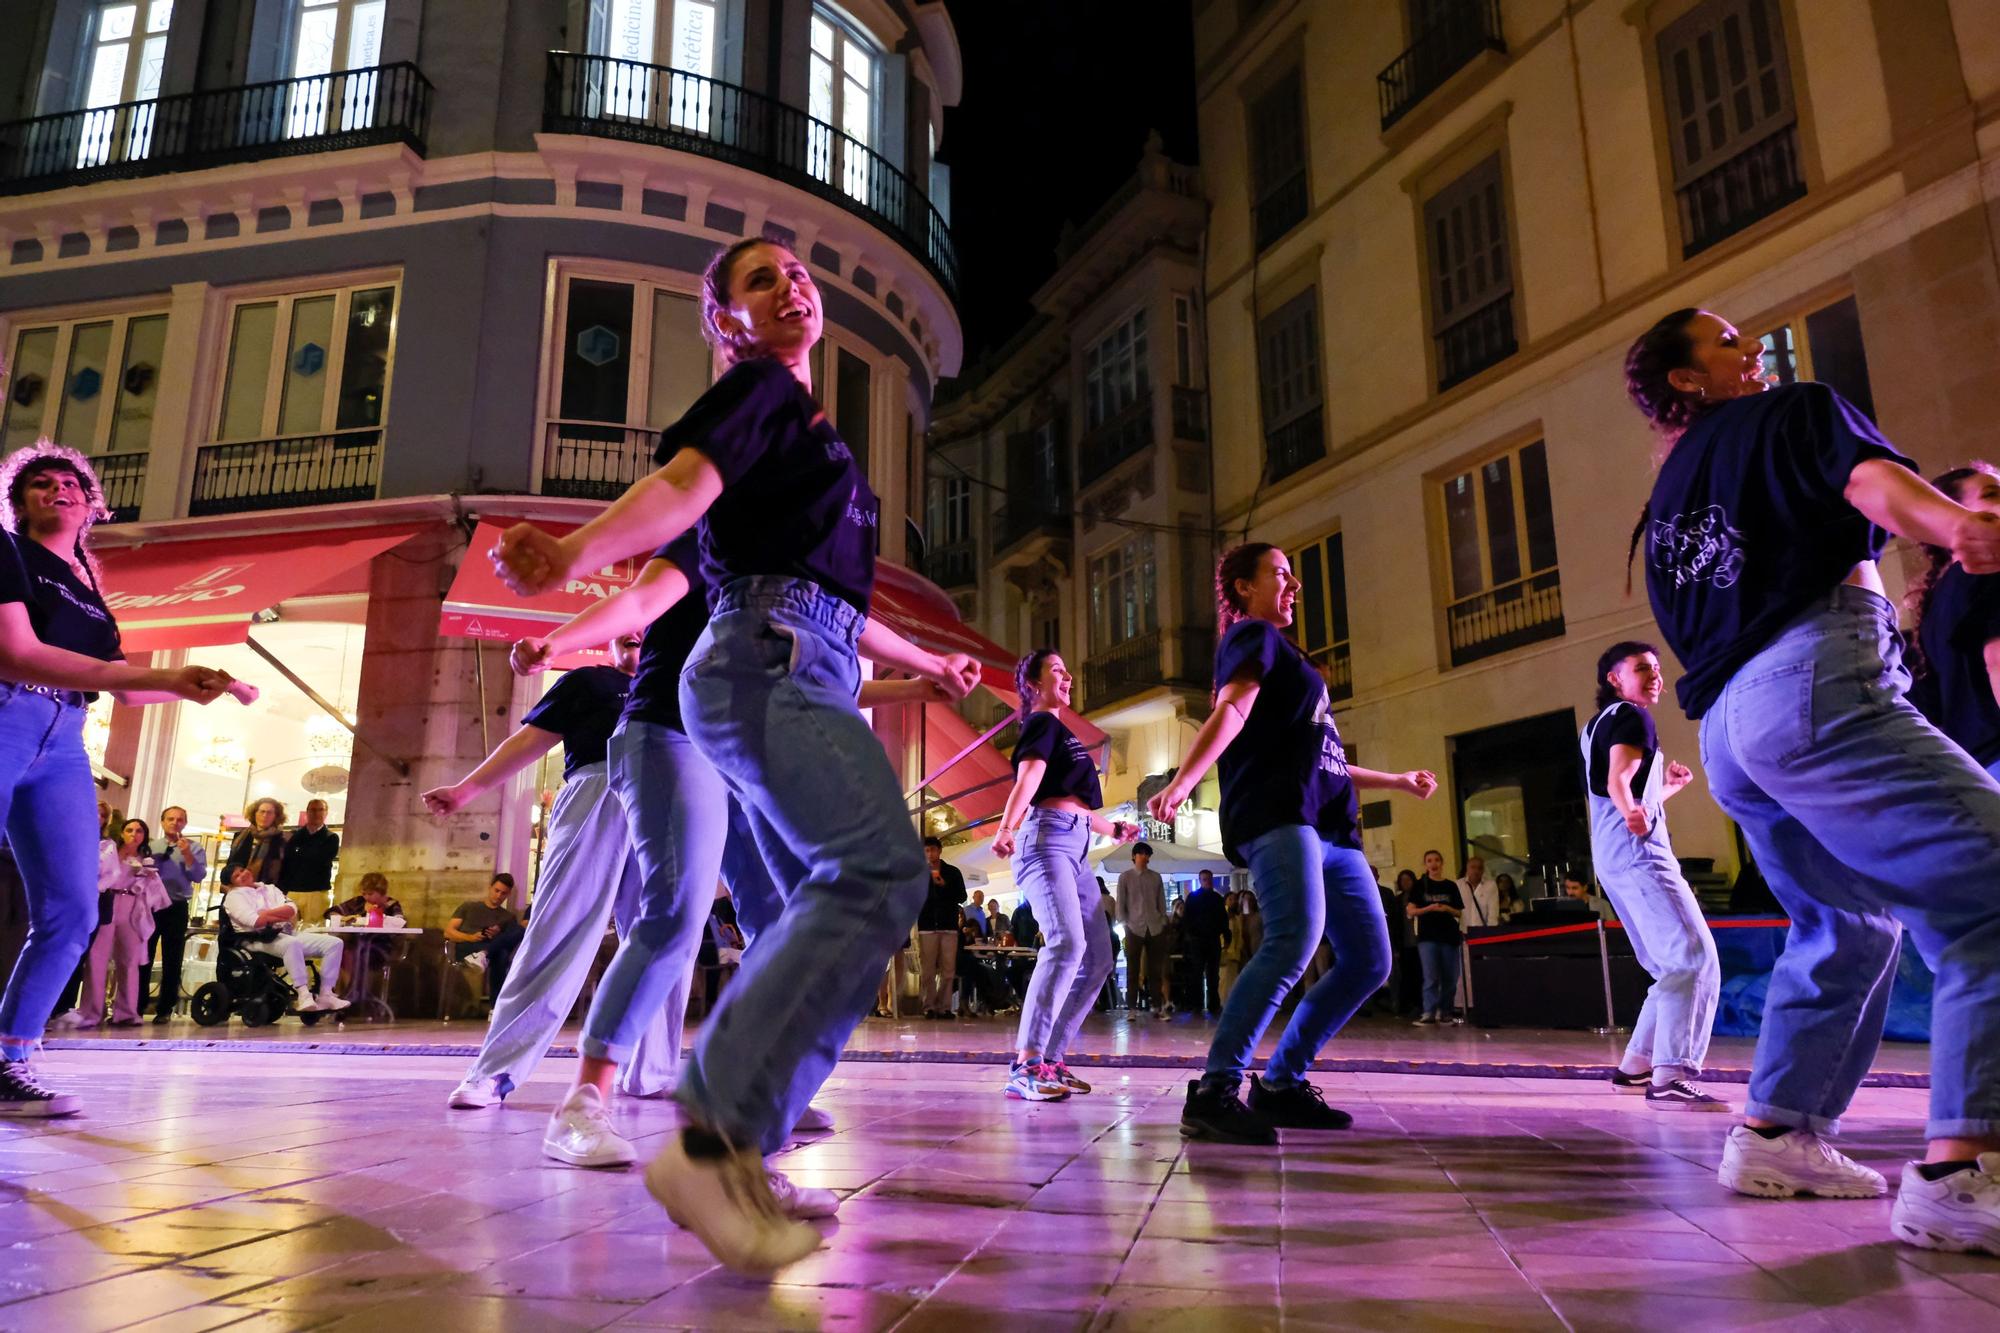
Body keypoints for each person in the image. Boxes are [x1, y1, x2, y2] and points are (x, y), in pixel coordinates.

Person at [491, 234, 980, 1274]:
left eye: (797, 272)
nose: (791, 283)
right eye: (762, 279)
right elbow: (678, 488)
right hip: (762, 657)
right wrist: (575, 555)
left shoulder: (815, 438)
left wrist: (933, 660)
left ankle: (741, 1141)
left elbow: (851, 602)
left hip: (808, 657)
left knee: (828, 892)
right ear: (728, 323)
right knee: (873, 870)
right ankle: (711, 1135)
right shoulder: (757, 391)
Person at [1625, 306, 2000, 1253]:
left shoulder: (1666, 498)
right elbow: (1875, 483)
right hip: (1816, 680)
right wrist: (1958, 523)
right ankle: (1965, 1169)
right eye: (1722, 340)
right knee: (1991, 893)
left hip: (1733, 733)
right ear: (1685, 379)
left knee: (1848, 920)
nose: (1747, 345)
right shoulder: (1795, 409)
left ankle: (1777, 1133)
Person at [1150, 542, 1439, 1143]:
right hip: (1279, 815)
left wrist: (1395, 780)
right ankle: (1214, 1090)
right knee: (1293, 940)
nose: (1294, 585)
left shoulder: (1293, 660)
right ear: (1241, 589)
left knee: (1369, 958)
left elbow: (1327, 755)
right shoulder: (1251, 638)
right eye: (1279, 574)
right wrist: (1183, 781)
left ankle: (1281, 1084)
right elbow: (1232, 709)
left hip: (1331, 827)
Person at [0, 443, 251, 1115]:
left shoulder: (86, 591)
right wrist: (164, 675)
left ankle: (9, 1056)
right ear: (19, 502)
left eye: (70, 483)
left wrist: (204, 684)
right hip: (6, 713)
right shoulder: (7, 552)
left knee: (74, 910)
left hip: (65, 742)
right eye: (39, 483)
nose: (57, 489)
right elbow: (18, 652)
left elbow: (130, 691)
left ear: (90, 505)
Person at [423, 632, 685, 1116]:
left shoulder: (681, 684)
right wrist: (466, 789)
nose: (639, 633)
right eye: (628, 628)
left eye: (653, 625)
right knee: (558, 928)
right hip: (597, 788)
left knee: (666, 937)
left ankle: (654, 1071)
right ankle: (495, 1072)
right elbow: (531, 740)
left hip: (669, 797)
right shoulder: (589, 681)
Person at [989, 648, 1139, 1101]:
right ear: (1033, 684)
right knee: (1067, 943)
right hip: (1046, 841)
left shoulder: (1064, 732)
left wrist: (1112, 827)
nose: (1069, 676)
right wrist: (1006, 827)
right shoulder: (1041, 723)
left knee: (1098, 957)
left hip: (1076, 845)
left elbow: (1073, 804)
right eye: (1057, 670)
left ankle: (1051, 1060)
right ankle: (1026, 1064)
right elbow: (1029, 781)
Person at [1584, 641, 1725, 1110]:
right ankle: (1671, 1075)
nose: (1656, 676)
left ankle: (1636, 1065)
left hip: (1614, 857)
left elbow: (1622, 793)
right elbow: (1618, 785)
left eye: (1658, 669)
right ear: (1614, 679)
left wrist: (1664, 790)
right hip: (1640, 855)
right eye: (1642, 668)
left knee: (1669, 967)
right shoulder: (1633, 716)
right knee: (1694, 957)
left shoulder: (1594, 728)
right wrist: (1634, 810)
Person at [1907, 463, 2000, 778]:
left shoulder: (1937, 602)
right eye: (1992, 494)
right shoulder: (1988, 569)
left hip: (1980, 770)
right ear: (1953, 514)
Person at [64, 818, 169, 1028]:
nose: (134, 834)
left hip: (132, 905)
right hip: (108, 902)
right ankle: (92, 1011)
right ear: (122, 833)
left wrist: (147, 877)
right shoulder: (109, 852)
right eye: (130, 830)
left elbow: (154, 890)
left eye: (139, 831)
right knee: (97, 958)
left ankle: (127, 1012)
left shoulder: (146, 859)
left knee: (129, 961)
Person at [220, 867, 349, 1015]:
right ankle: (303, 994)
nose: (243, 874)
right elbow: (254, 921)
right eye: (237, 876)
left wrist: (267, 914)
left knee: (334, 943)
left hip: (284, 932)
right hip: (256, 939)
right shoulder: (234, 897)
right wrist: (279, 915)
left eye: (242, 870)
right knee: (291, 944)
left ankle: (326, 994)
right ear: (232, 884)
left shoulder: (269, 888)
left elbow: (292, 909)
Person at [141, 805, 205, 1024]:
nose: (174, 823)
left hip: (176, 906)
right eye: (170, 819)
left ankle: (165, 1008)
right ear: (162, 822)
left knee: (173, 958)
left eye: (179, 820)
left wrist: (186, 853)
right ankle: (138, 1005)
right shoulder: (150, 846)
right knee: (144, 956)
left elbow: (198, 876)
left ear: (184, 824)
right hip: (150, 906)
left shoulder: (194, 847)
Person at [444, 876, 527, 999]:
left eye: (503, 893)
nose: (499, 896)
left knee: (518, 933)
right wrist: (470, 937)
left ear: (508, 894)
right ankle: (495, 1006)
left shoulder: (508, 917)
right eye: (496, 891)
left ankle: (484, 954)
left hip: (491, 949)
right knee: (501, 954)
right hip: (467, 949)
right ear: (490, 888)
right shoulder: (469, 907)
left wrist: (496, 935)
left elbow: (509, 943)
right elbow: (448, 932)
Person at [1407, 850, 1464, 1025]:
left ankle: (1445, 1011)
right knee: (1431, 976)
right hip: (1428, 937)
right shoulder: (1420, 885)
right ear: (1425, 865)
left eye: (1437, 860)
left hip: (1449, 936)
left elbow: (1459, 912)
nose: (1434, 864)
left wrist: (1446, 909)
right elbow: (1411, 911)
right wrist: (1429, 909)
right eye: (1430, 861)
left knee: (1450, 977)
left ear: (1442, 863)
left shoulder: (1450, 886)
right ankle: (1429, 1012)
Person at [1117, 842, 1170, 1015]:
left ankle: (1156, 1005)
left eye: (1147, 854)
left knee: (1156, 969)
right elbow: (1121, 901)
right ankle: (1132, 1007)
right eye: (1141, 854)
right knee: (1133, 969)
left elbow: (1161, 900)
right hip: (1134, 926)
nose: (1144, 857)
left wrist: (1162, 919)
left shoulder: (1156, 877)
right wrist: (1124, 922)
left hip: (1154, 926)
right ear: (1134, 856)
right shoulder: (1125, 877)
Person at [916, 837, 965, 1019]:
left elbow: (962, 896)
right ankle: (929, 1006)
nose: (930, 854)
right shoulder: (919, 874)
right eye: (926, 851)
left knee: (948, 970)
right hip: (927, 926)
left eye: (933, 850)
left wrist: (945, 886)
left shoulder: (952, 872)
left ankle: (944, 1007)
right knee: (927, 969)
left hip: (948, 927)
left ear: (940, 851)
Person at [1180, 869, 1230, 1017]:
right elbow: (1187, 919)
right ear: (1201, 880)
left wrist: (1225, 934)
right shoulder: (1209, 898)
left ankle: (1208, 1004)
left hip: (1209, 939)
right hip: (1200, 940)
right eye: (1204, 879)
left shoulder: (1213, 898)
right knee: (1200, 973)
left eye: (1208, 879)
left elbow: (1223, 919)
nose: (1207, 882)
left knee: (1211, 973)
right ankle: (1203, 1004)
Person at [277, 799, 340, 903]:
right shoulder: (295, 836)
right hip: (292, 891)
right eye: (313, 810)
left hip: (316, 892)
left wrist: (300, 852)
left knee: (315, 920)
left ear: (326, 813)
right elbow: (287, 863)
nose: (317, 813)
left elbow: (320, 861)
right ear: (307, 812)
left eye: (321, 810)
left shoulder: (331, 838)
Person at [224, 798, 288, 889]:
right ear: (254, 813)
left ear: (276, 816)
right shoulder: (240, 836)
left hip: (265, 892)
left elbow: (284, 872)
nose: (265, 815)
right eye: (262, 811)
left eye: (270, 812)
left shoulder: (281, 841)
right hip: (236, 890)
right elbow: (230, 865)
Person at [1219, 889, 1264, 1003]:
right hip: (1231, 954)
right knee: (1228, 981)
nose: (1233, 901)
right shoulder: (1228, 917)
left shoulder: (1239, 918)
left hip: (1244, 952)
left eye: (1235, 899)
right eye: (1230, 899)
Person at [328, 872, 404, 923]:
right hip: (356, 944)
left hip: (382, 944)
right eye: (364, 894)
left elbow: (400, 922)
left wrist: (382, 915)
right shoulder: (358, 901)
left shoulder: (392, 904)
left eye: (370, 894)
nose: (366, 897)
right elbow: (330, 912)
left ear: (381, 892)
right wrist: (342, 918)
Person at [1458, 856, 1500, 931]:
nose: (1476, 870)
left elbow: (1493, 912)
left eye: (1479, 868)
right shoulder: (1458, 885)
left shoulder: (1490, 885)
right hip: (1463, 932)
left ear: (1483, 870)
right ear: (1467, 868)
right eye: (1473, 867)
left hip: (1483, 932)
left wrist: (1491, 932)